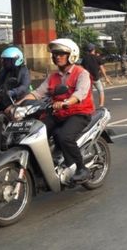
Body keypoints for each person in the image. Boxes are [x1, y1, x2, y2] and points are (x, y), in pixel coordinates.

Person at [16, 38, 94, 182]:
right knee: (34, 133)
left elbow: (80, 93)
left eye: (61, 53)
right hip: (58, 113)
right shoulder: (53, 77)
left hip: (78, 113)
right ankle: (44, 167)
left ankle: (81, 167)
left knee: (64, 136)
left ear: (72, 55)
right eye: (55, 54)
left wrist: (66, 102)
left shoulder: (81, 73)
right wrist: (17, 105)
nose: (57, 56)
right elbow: (38, 93)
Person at [0, 46, 31, 110]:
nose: (4, 62)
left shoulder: (23, 71)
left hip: (20, 100)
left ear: (16, 59)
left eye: (7, 60)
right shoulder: (5, 70)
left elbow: (24, 86)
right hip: (6, 99)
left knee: (12, 114)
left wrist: (13, 92)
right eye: (4, 60)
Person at [81, 43, 111, 108]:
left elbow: (82, 69)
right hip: (96, 78)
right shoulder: (97, 58)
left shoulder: (84, 59)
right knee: (101, 91)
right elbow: (102, 68)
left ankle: (92, 106)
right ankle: (101, 105)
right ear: (93, 50)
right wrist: (106, 78)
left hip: (88, 79)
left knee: (90, 93)